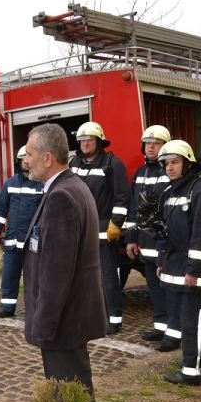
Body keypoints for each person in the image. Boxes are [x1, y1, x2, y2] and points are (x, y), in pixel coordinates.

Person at [22, 122, 107, 402]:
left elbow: (56, 271)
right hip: (73, 314)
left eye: (28, 154)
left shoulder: (61, 195)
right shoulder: (72, 186)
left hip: (64, 318)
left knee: (69, 392)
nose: (24, 160)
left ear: (48, 157)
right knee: (72, 389)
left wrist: (44, 323)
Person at [155, 140, 201, 386]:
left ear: (188, 163)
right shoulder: (170, 191)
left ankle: (191, 371)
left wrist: (193, 269)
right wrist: (162, 260)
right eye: (166, 163)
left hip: (197, 269)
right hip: (177, 264)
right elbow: (164, 231)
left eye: (175, 162)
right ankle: (200, 362)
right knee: (191, 318)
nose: (169, 168)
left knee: (194, 319)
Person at [69, 121, 129, 334]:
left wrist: (116, 223)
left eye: (89, 139)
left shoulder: (113, 164)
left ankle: (114, 319)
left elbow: (122, 198)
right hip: (80, 229)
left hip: (104, 228)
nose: (85, 143)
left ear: (99, 141)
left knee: (107, 276)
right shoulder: (74, 162)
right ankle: (90, 316)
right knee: (83, 276)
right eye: (82, 140)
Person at [125, 125, 181, 351]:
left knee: (169, 290)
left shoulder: (168, 173)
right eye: (148, 143)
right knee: (155, 289)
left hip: (165, 244)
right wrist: (130, 238)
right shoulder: (140, 173)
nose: (150, 147)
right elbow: (133, 209)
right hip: (146, 245)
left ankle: (173, 335)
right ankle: (160, 327)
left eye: (156, 143)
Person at [0, 145, 43, 318]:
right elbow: (0, 210)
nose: (26, 163)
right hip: (13, 240)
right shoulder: (11, 183)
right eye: (23, 160)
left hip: (33, 241)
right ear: (19, 162)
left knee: (33, 277)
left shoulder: (42, 184)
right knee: (9, 275)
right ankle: (7, 307)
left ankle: (34, 308)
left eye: (29, 159)